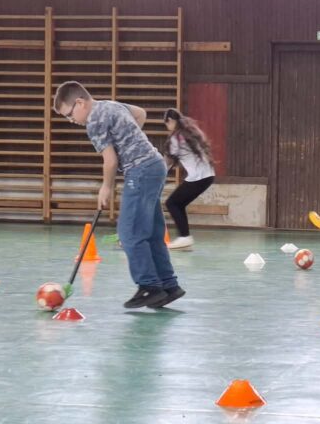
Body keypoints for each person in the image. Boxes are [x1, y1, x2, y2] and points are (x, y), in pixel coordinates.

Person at [53, 81, 184, 308]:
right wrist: (128, 139)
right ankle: (169, 285)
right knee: (153, 232)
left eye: (69, 114)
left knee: (129, 233)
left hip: (141, 171)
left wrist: (106, 187)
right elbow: (140, 114)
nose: (71, 120)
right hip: (155, 165)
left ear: (80, 103)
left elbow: (111, 161)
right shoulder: (110, 105)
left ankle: (150, 286)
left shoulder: (94, 121)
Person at [163, 108, 216, 250]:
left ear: (170, 121)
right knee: (178, 204)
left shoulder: (176, 138)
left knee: (172, 203)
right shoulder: (190, 132)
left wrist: (158, 175)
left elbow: (167, 162)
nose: (167, 127)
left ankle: (185, 237)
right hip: (208, 175)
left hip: (199, 177)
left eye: (166, 124)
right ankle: (184, 238)